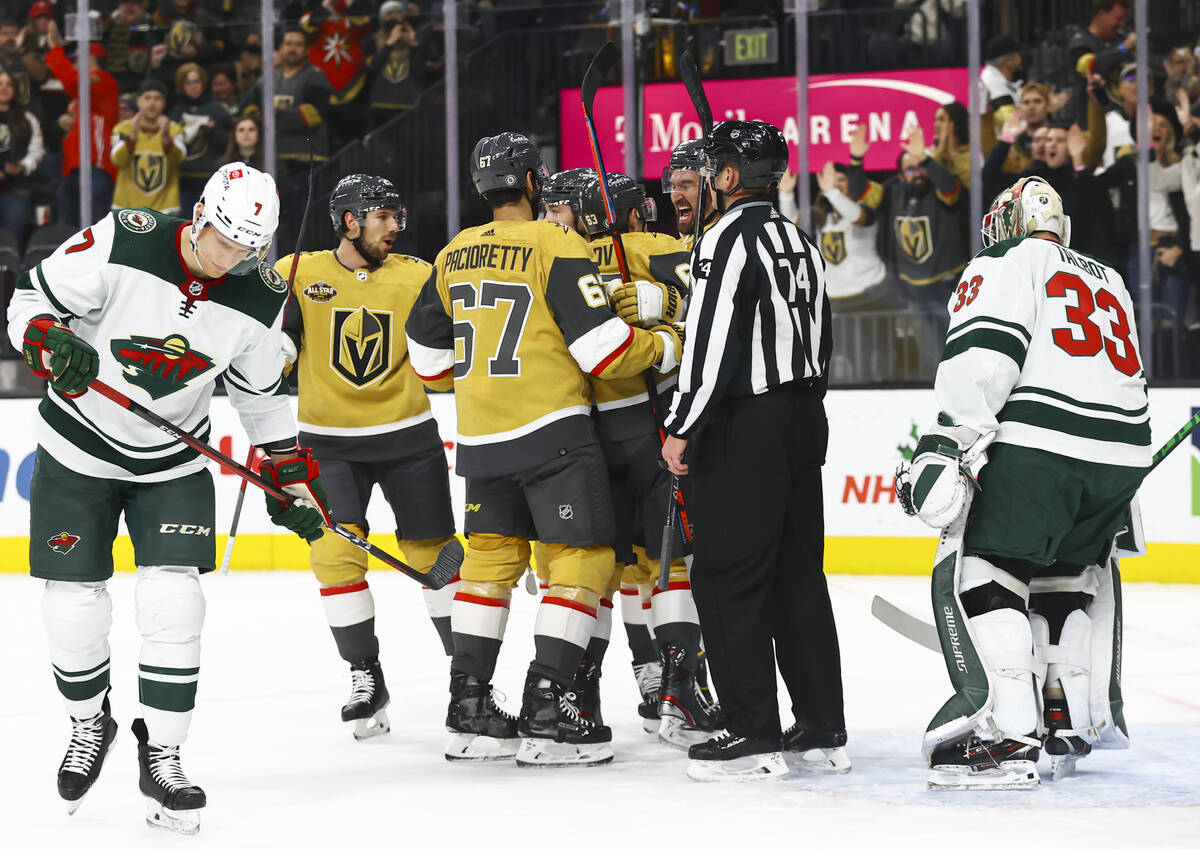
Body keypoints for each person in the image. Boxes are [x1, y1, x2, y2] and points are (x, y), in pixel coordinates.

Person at [4, 161, 332, 832]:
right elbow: (27, 306)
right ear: (202, 215)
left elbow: (262, 398)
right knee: (72, 602)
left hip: (174, 461)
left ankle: (166, 752)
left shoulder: (260, 293)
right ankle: (89, 720)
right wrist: (52, 340)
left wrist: (289, 479)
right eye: (224, 241)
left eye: (248, 249)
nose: (231, 258)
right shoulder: (126, 237)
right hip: (76, 445)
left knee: (175, 599)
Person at [404, 131, 684, 767]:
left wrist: (477, 379)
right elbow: (604, 352)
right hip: (554, 432)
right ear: (533, 183)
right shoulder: (554, 242)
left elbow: (426, 363)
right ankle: (550, 706)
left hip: (478, 440)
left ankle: (469, 708)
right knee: (582, 561)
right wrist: (667, 344)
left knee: (488, 565)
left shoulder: (451, 254)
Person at [896, 176, 1149, 789]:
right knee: (1067, 579)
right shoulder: (1108, 278)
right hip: (1120, 456)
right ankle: (1065, 718)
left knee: (986, 573)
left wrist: (945, 444)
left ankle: (1008, 735)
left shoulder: (1004, 259)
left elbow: (984, 353)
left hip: (1039, 446)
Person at [660, 120, 848, 783]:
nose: (703, 179)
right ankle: (824, 727)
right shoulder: (798, 240)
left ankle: (751, 730)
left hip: (746, 425)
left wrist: (681, 424)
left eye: (711, 168)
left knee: (729, 576)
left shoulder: (724, 238)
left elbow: (709, 344)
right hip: (802, 416)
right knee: (799, 574)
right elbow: (824, 337)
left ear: (733, 176)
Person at [541, 167, 717, 749]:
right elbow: (717, 308)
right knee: (669, 564)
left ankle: (583, 692)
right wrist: (666, 299)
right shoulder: (664, 248)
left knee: (599, 571)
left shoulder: (557, 260)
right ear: (636, 212)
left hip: (578, 436)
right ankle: (678, 690)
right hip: (647, 426)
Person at [278, 174, 458, 740]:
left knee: (437, 558)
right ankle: (365, 675)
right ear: (348, 221)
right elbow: (250, 328)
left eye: (396, 214)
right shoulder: (296, 272)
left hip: (409, 437)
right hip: (326, 444)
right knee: (333, 557)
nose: (395, 226)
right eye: (382, 215)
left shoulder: (421, 274)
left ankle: (469, 677)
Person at [44, 38, 118, 228]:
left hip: (97, 169)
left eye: (76, 60)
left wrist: (55, 50)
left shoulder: (104, 80)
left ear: (90, 58)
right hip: (72, 170)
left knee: (97, 229)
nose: (74, 65)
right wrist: (63, 122)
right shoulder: (79, 96)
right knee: (69, 232)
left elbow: (71, 80)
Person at [110, 78, 186, 215]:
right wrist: (133, 136)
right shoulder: (122, 129)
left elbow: (179, 159)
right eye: (147, 98)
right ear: (138, 101)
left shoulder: (174, 129)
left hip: (165, 209)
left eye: (157, 98)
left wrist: (165, 137)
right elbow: (118, 161)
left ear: (164, 103)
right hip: (126, 209)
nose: (152, 103)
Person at [169, 62, 231, 214]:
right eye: (188, 82)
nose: (193, 86)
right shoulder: (174, 110)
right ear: (180, 85)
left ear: (203, 83)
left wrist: (213, 131)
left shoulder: (217, 110)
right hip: (180, 180)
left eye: (196, 81)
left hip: (209, 179)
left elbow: (225, 147)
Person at [0, 67, 44, 237]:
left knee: (11, 240)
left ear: (15, 90)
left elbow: (37, 152)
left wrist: (22, 166)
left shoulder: (28, 118)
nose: (4, 88)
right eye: (0, 83)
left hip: (16, 191)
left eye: (9, 84)